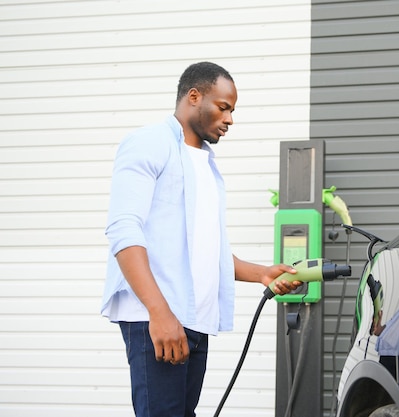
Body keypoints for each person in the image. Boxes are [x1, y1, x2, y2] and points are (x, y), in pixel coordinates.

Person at [100, 61, 301, 417]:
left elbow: (207, 247)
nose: (230, 119)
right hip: (157, 319)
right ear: (194, 96)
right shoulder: (149, 142)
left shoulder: (206, 164)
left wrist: (262, 274)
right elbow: (124, 231)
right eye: (223, 107)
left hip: (193, 321)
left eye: (232, 110)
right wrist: (159, 314)